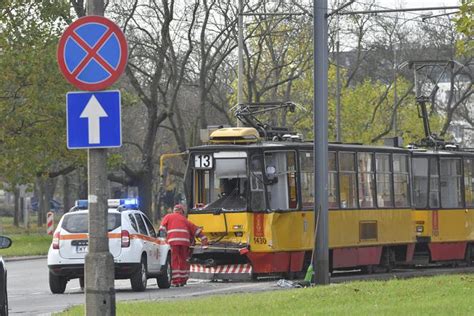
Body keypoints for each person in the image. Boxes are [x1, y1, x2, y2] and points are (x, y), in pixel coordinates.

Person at [159, 203, 208, 287]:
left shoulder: (168, 216)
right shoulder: (185, 220)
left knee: (174, 260)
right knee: (183, 260)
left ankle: (175, 281)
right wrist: (204, 241)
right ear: (182, 212)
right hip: (184, 243)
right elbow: (197, 231)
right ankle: (182, 280)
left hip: (173, 242)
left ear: (174, 210)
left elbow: (162, 229)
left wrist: (163, 240)